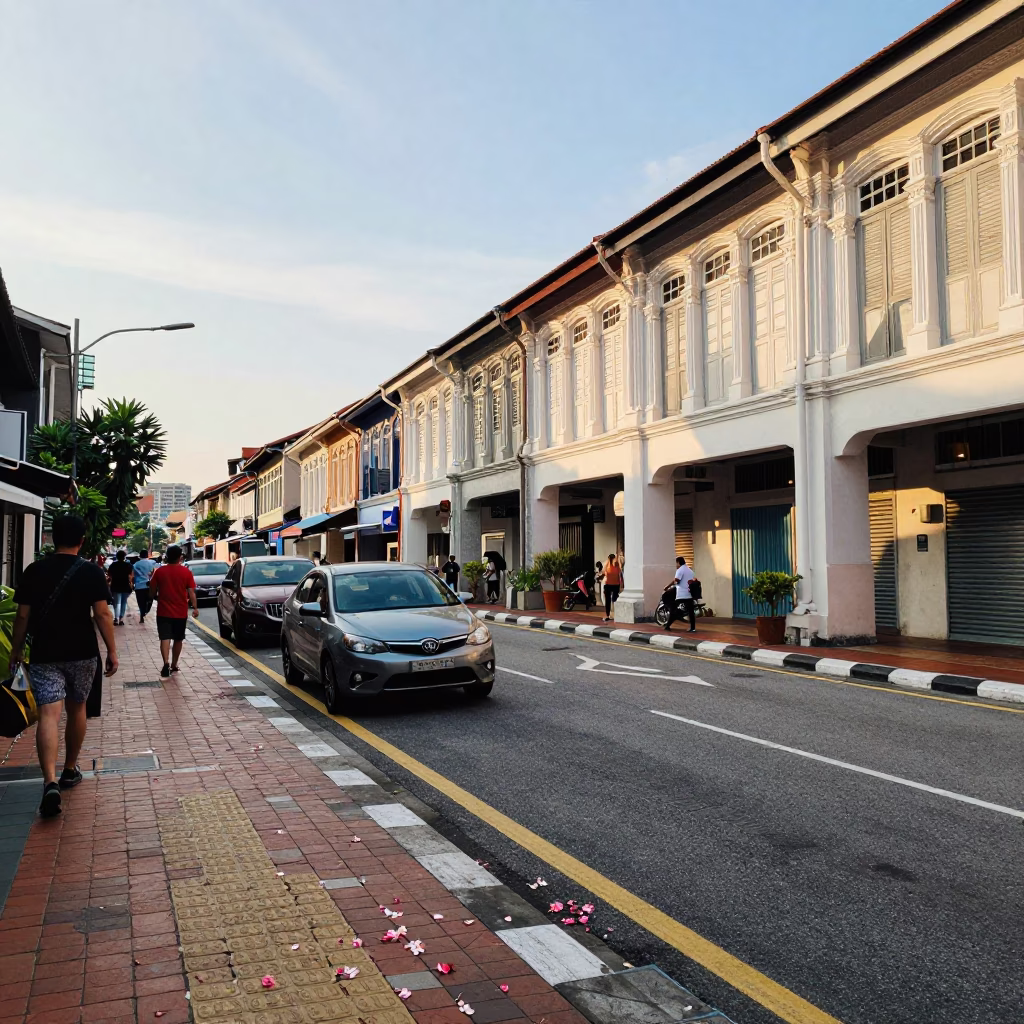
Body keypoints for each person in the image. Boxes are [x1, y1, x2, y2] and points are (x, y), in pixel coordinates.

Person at [8, 514, 118, 818]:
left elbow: (21, 616)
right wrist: (112, 650)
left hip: (45, 652)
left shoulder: (34, 570)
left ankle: (50, 781)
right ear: (82, 540)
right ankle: (70, 769)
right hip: (83, 652)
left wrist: (16, 650)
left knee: (48, 713)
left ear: (52, 538)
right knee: (77, 708)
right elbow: (102, 614)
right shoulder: (91, 572)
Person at [149, 544, 198, 678]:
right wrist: (195, 607)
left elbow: (152, 590)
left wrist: (153, 597)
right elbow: (191, 592)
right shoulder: (186, 572)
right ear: (180, 557)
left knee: (164, 638)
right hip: (180, 612)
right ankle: (174, 664)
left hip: (163, 611)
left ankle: (165, 662)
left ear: (167, 557)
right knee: (178, 639)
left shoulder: (159, 572)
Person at [664, 555, 697, 633]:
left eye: (676, 563)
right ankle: (692, 628)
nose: (676, 565)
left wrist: (667, 586)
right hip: (689, 594)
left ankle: (667, 626)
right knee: (691, 612)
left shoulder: (680, 570)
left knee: (673, 609)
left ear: (678, 562)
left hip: (681, 594)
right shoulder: (690, 570)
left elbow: (676, 581)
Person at [107, 550, 133, 625]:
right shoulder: (128, 565)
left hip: (115, 586)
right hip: (125, 586)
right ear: (124, 556)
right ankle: (121, 619)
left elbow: (109, 575)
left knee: (116, 602)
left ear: (117, 556)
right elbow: (130, 576)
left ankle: (116, 619)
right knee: (123, 602)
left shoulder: (113, 565)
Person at [133, 548, 157, 624]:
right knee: (150, 600)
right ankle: (146, 611)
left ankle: (141, 615)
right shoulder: (152, 563)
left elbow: (133, 576)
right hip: (150, 585)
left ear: (140, 556)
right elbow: (154, 573)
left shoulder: (135, 565)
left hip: (139, 586)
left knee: (140, 602)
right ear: (148, 555)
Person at [601, 553, 622, 621]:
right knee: (614, 600)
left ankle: (608, 615)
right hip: (615, 584)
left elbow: (603, 572)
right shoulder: (616, 564)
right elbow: (619, 573)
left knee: (608, 600)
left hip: (608, 584)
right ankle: (615, 614)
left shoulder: (606, 564)